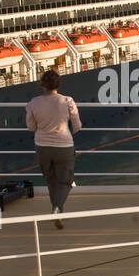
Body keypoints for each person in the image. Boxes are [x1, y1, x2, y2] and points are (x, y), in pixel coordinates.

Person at [25, 69, 81, 228]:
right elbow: (77, 125)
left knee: (51, 180)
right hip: (63, 145)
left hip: (42, 146)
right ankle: (56, 209)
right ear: (58, 84)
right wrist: (73, 130)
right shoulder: (67, 101)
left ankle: (57, 211)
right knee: (66, 181)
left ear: (42, 84)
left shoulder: (33, 103)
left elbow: (31, 127)